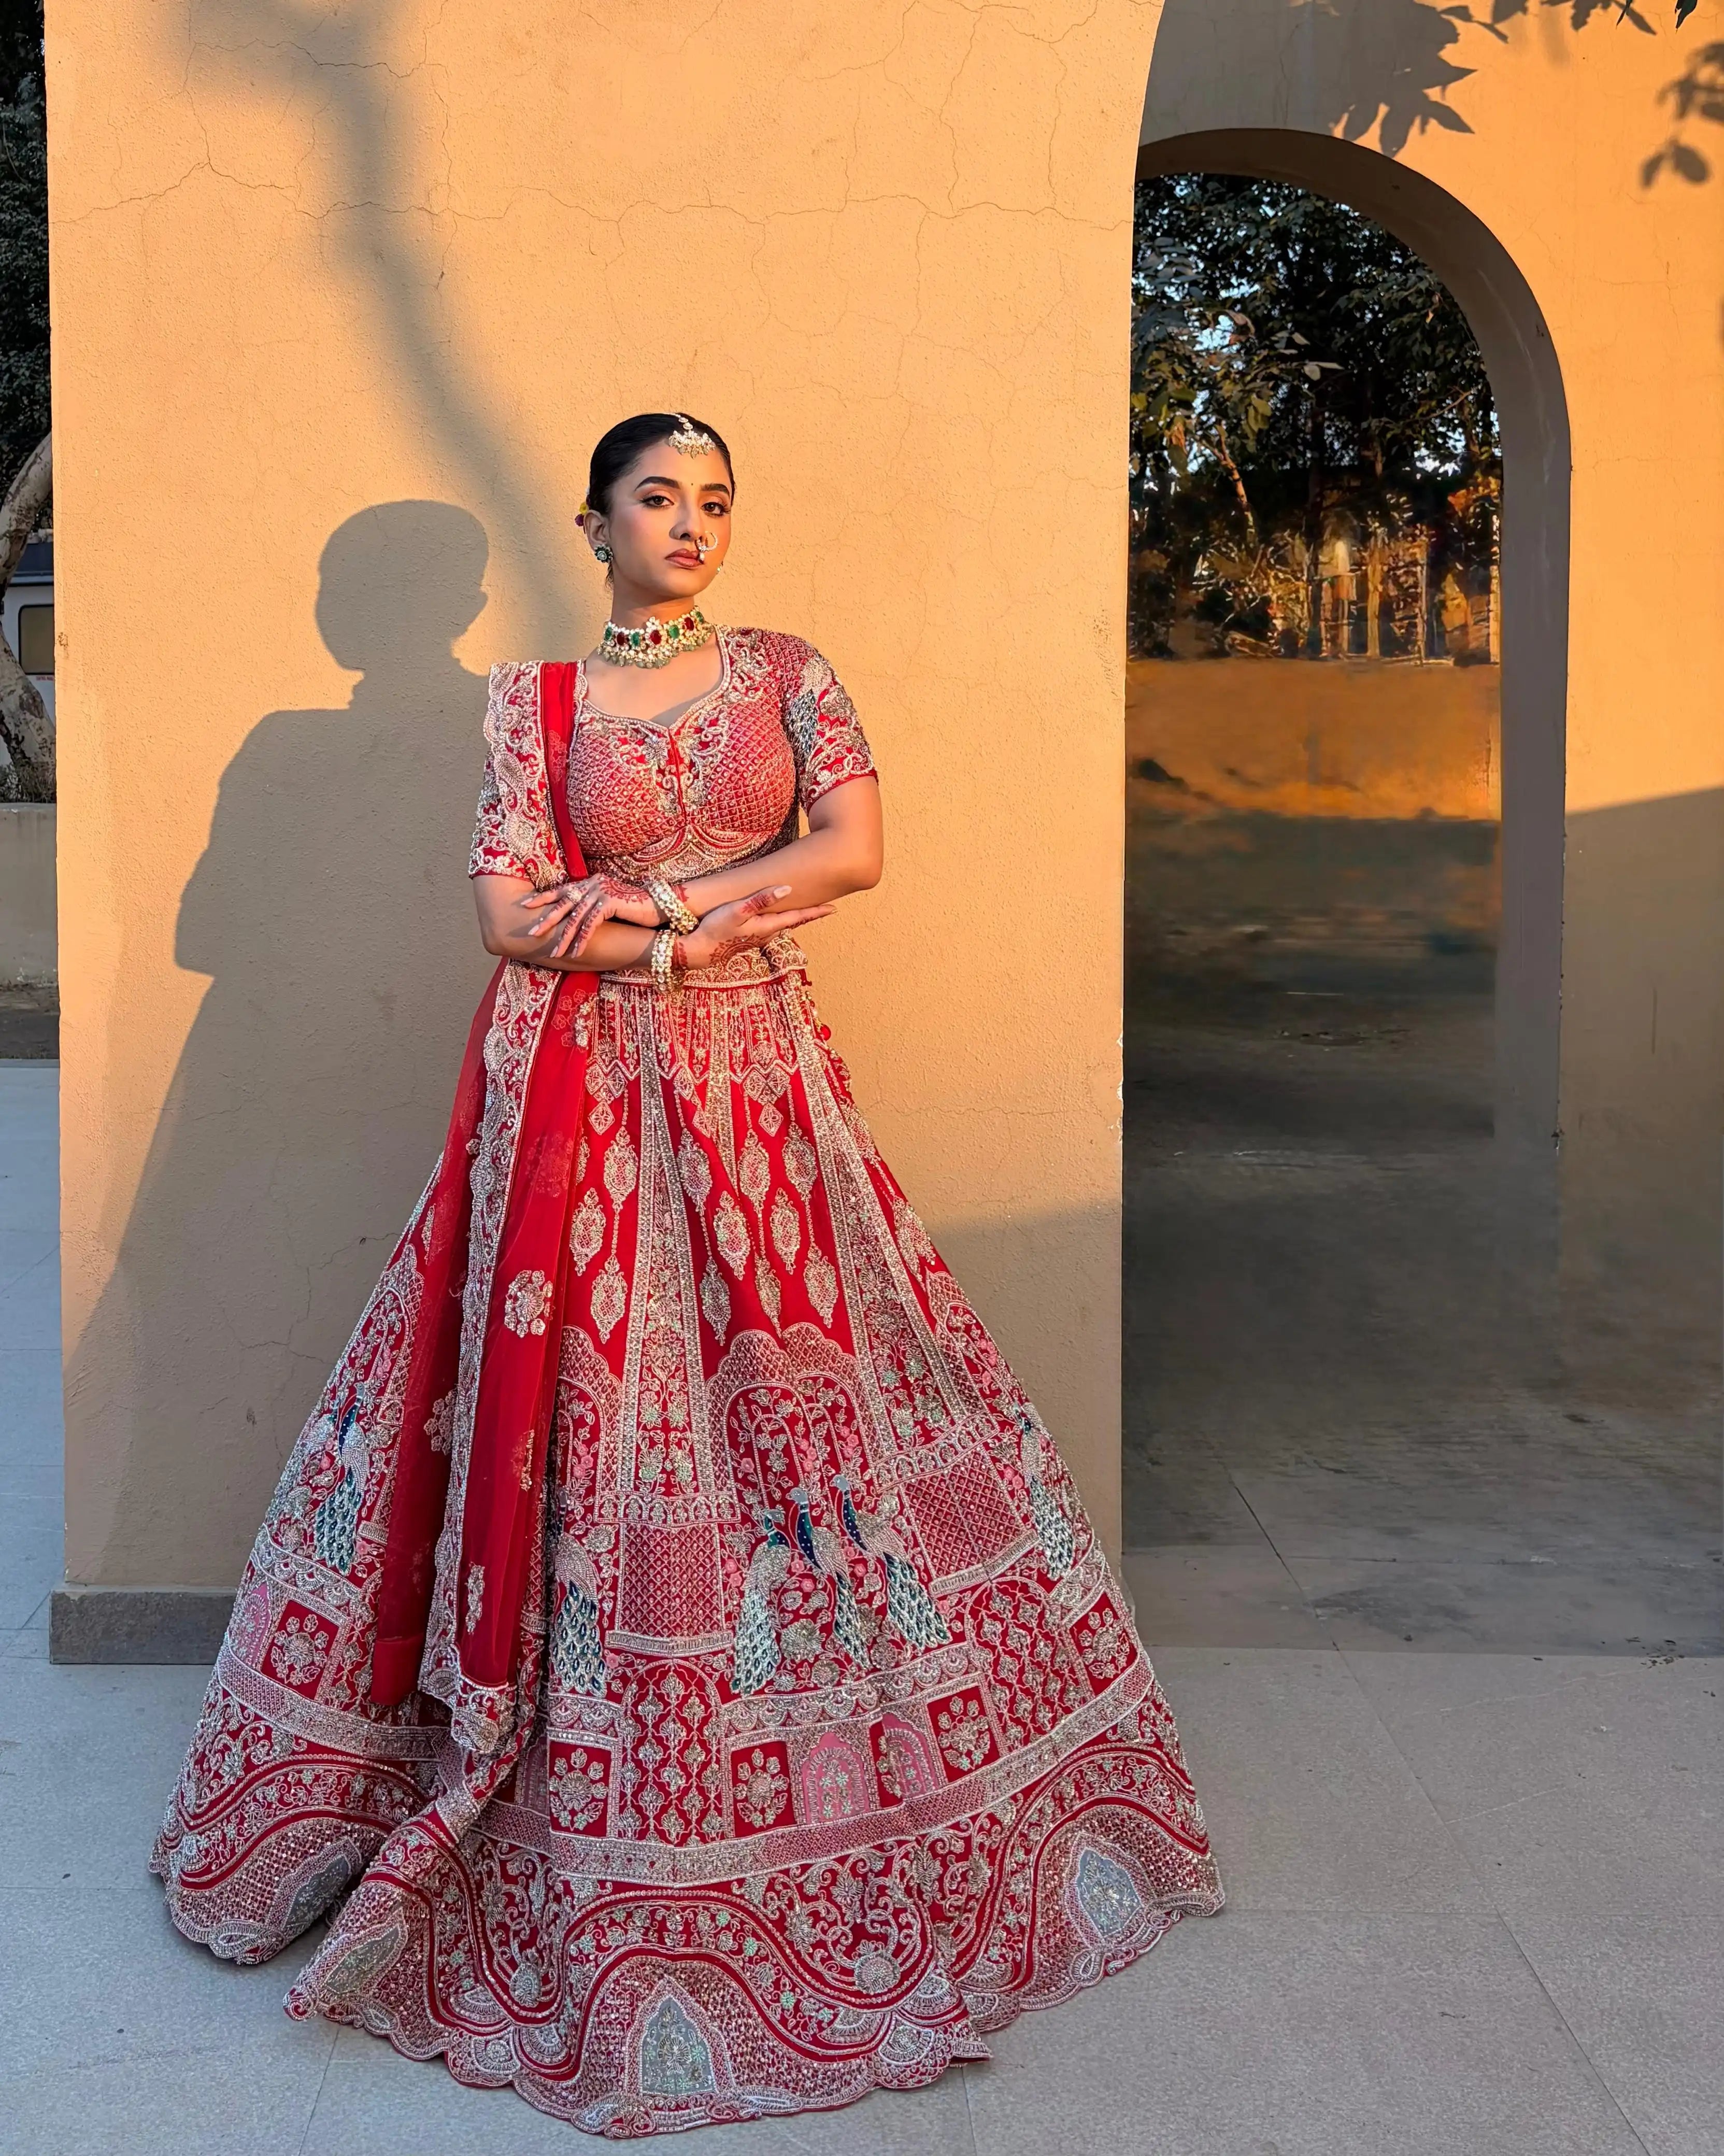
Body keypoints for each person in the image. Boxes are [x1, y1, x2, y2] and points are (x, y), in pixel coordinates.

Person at [152, 412, 1223, 2135]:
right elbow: (505, 913)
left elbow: (855, 851)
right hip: (565, 1078)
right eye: (661, 497)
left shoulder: (791, 671)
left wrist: (663, 911)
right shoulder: (532, 706)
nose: (694, 523)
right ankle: (522, 1746)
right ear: (595, 524)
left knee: (795, 1385)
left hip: (751, 1081)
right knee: (574, 1392)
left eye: (718, 500)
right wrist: (696, 919)